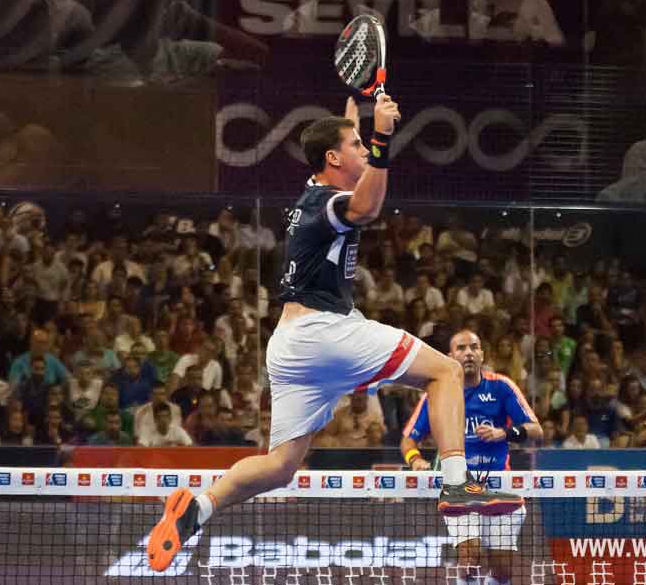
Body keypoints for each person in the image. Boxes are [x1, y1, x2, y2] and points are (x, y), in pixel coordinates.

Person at [147, 94, 522, 571]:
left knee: (281, 465)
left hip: (288, 345)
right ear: (332, 158)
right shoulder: (327, 203)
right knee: (446, 371)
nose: (363, 151)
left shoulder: (314, 189)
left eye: (365, 144)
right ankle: (455, 483)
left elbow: (347, 163)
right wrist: (383, 138)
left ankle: (198, 507)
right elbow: (367, 207)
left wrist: (354, 118)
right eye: (356, 145)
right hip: (324, 332)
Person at [400, 330, 542, 585]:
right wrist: (415, 460)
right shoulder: (437, 394)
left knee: (502, 570)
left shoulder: (501, 387)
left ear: (482, 355)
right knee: (470, 558)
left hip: (499, 487)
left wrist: (504, 433)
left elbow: (536, 430)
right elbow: (409, 440)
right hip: (459, 488)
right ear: (450, 356)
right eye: (461, 348)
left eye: (474, 347)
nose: (468, 353)